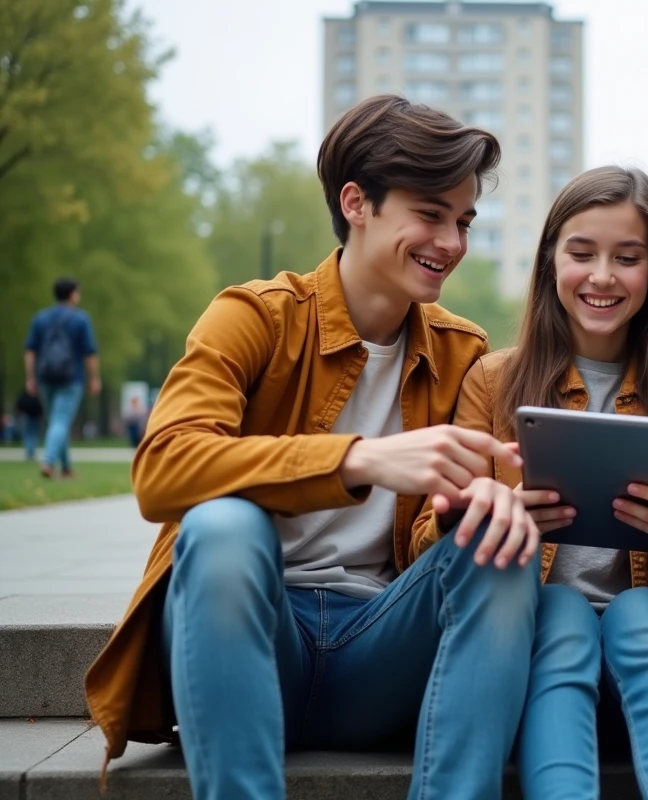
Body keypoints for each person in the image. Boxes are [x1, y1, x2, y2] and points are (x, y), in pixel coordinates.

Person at [84, 95, 543, 800]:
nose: (451, 242)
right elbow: (162, 468)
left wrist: (470, 511)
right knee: (222, 525)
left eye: (463, 221)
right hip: (254, 637)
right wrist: (355, 459)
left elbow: (433, 546)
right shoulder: (255, 317)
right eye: (430, 214)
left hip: (380, 650)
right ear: (357, 203)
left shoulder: (463, 352)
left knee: (499, 546)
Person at [414, 166, 648, 799]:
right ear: (550, 264)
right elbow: (427, 546)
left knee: (642, 611)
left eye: (628, 257)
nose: (603, 276)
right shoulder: (492, 381)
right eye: (581, 253)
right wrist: (483, 514)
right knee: (559, 612)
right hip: (534, 644)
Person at [23, 277, 101, 478]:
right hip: (71, 378)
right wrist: (94, 378)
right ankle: (49, 461)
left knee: (57, 422)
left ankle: (66, 468)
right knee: (60, 421)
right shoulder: (80, 319)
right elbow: (89, 353)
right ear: (72, 294)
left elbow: (30, 351)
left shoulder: (40, 319)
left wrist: (31, 377)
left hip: (46, 378)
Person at [15, 388, 43, 461]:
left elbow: (41, 407)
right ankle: (29, 451)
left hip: (35, 418)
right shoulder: (24, 397)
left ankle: (31, 451)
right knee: (27, 434)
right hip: (26, 417)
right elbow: (19, 405)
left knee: (33, 434)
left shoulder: (38, 397)